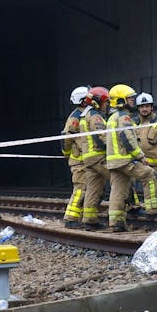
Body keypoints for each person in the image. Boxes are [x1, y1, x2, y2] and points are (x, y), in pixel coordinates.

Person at [104, 84, 157, 232]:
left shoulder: (112, 117)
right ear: (121, 100)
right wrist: (140, 156)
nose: (133, 100)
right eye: (130, 98)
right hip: (125, 159)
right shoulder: (124, 117)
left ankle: (116, 222)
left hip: (114, 162)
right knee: (150, 175)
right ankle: (153, 210)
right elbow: (127, 138)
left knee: (118, 190)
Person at [79, 86, 111, 230]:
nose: (107, 105)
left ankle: (90, 220)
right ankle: (128, 210)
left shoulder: (85, 114)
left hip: (88, 158)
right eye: (105, 102)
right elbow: (101, 136)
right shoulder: (96, 116)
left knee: (93, 189)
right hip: (98, 156)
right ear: (97, 102)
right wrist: (112, 148)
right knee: (120, 179)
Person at [62, 86, 89, 228]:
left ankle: (82, 218)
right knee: (81, 188)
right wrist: (67, 154)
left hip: (84, 159)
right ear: (83, 100)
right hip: (79, 161)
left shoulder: (84, 114)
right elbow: (66, 138)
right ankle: (70, 218)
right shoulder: (76, 117)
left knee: (87, 189)